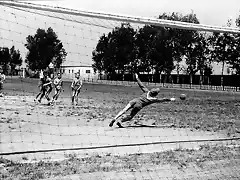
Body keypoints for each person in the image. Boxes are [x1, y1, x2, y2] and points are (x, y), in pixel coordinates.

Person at [109, 73, 185, 128]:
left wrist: (137, 77)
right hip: (138, 106)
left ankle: (115, 118)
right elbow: (162, 100)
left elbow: (141, 84)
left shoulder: (146, 91)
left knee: (124, 110)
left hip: (134, 101)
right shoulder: (153, 99)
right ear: (155, 94)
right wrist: (171, 99)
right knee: (130, 116)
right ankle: (120, 122)